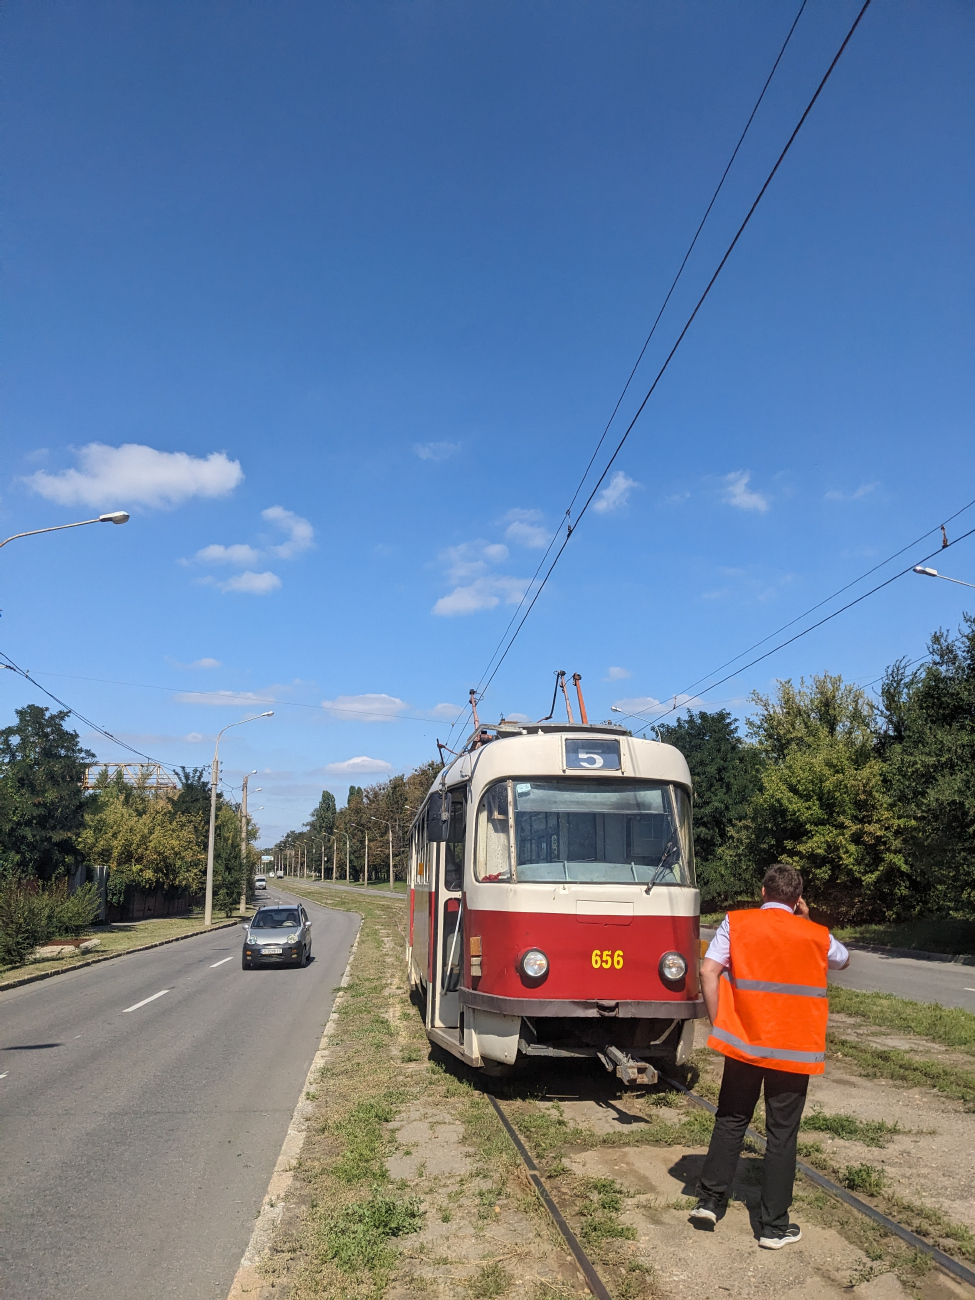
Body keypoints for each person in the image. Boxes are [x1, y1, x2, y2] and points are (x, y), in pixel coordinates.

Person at [689, 863, 850, 1249]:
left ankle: (710, 1201)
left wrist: (719, 1022)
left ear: (762, 892)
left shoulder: (736, 924)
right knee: (782, 1134)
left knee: (731, 1118)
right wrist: (808, 921)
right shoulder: (817, 936)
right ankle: (774, 1227)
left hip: (743, 1042)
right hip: (794, 1051)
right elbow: (843, 960)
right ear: (797, 900)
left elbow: (708, 971)